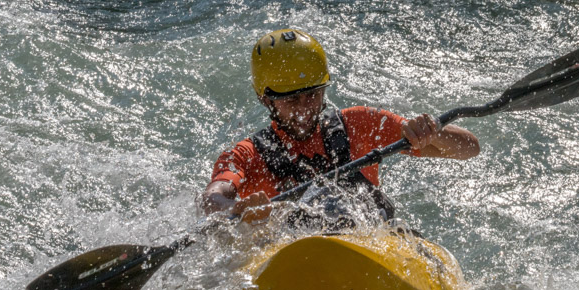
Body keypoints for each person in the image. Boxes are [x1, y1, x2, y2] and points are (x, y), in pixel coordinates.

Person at [201, 29, 479, 223]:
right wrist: (237, 207)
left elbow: (469, 148)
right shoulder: (246, 155)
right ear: (265, 100)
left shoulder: (360, 123)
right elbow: (213, 198)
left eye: (312, 94)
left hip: (369, 250)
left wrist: (430, 130)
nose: (305, 108)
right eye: (291, 100)